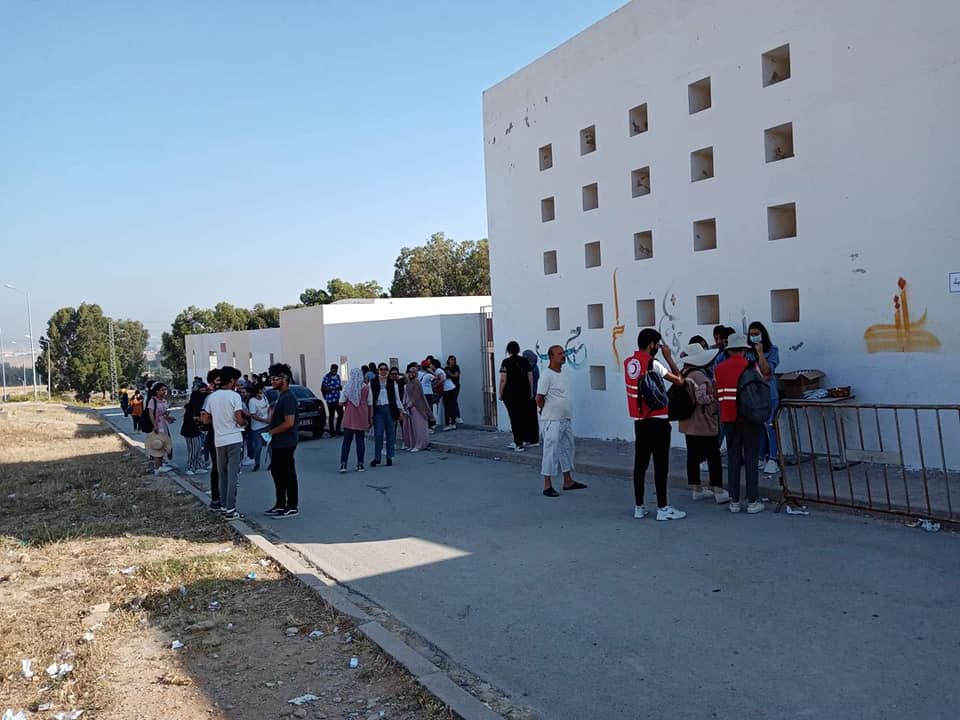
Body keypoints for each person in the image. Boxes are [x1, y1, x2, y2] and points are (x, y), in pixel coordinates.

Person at [625, 329, 687, 521]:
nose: (659, 348)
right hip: (658, 421)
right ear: (651, 344)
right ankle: (662, 508)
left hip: (640, 421)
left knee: (640, 465)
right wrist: (669, 357)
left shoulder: (629, 363)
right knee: (661, 465)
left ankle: (639, 507)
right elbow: (679, 380)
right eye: (658, 344)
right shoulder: (653, 363)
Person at [715, 335, 765, 514]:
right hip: (750, 418)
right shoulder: (751, 366)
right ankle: (752, 501)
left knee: (733, 458)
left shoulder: (719, 368)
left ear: (729, 350)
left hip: (729, 419)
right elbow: (761, 386)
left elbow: (717, 392)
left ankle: (734, 501)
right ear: (744, 350)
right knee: (751, 458)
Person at [677, 343, 729, 504]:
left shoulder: (683, 373)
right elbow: (702, 398)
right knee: (713, 456)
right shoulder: (699, 376)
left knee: (692, 456)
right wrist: (715, 398)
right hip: (704, 422)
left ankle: (696, 489)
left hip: (687, 422)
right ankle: (718, 490)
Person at [537, 345, 588, 497]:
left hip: (565, 418)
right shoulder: (546, 375)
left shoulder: (563, 373)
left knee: (567, 448)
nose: (563, 356)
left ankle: (568, 481)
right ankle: (547, 485)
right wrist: (543, 410)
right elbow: (539, 397)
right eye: (559, 354)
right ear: (551, 356)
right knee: (550, 451)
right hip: (552, 419)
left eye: (563, 353)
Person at [201, 366, 247, 520]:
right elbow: (239, 419)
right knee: (233, 474)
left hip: (219, 440)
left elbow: (205, 419)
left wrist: (218, 419)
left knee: (222, 475)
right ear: (232, 380)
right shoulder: (235, 396)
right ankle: (231, 509)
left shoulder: (212, 397)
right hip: (234, 438)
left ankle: (222, 505)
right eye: (236, 380)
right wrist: (244, 423)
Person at [263, 363, 300, 517]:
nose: (272, 381)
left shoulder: (288, 398)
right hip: (278, 443)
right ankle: (280, 504)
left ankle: (292, 506)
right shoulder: (281, 397)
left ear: (284, 379)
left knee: (287, 474)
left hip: (286, 442)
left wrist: (270, 432)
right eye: (271, 378)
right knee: (277, 473)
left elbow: (289, 423)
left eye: (275, 378)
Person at [747, 321, 781, 476]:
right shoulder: (747, 352)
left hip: (769, 395)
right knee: (758, 427)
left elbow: (767, 370)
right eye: (751, 334)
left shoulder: (772, 350)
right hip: (754, 395)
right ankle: (761, 456)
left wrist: (760, 353)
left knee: (770, 426)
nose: (754, 337)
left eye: (756, 334)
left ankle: (773, 458)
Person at [499, 341, 535, 452]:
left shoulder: (506, 362)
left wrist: (500, 394)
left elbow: (503, 380)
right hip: (524, 393)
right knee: (522, 416)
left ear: (508, 350)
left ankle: (518, 443)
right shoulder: (525, 361)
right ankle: (521, 440)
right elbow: (530, 377)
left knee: (514, 418)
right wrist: (531, 391)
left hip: (510, 394)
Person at [370, 362, 402, 467]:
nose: (383, 371)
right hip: (378, 409)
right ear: (378, 370)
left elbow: (397, 397)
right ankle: (377, 457)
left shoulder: (392, 382)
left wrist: (400, 410)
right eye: (381, 369)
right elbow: (370, 397)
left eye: (385, 369)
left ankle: (389, 456)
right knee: (378, 434)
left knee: (390, 434)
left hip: (389, 408)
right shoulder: (373, 382)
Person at [339, 367, 369, 472]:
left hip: (349, 417)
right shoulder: (366, 387)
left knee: (346, 441)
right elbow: (369, 403)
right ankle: (360, 464)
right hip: (361, 416)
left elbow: (341, 402)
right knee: (360, 440)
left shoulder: (347, 387)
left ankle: (343, 465)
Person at [402, 362, 433, 452]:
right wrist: (404, 405)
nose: (411, 374)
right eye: (410, 372)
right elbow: (406, 395)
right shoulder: (408, 383)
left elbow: (417, 397)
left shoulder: (417, 382)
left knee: (419, 427)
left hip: (417, 407)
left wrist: (409, 405)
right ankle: (412, 444)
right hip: (408, 407)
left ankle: (420, 445)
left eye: (413, 372)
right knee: (411, 428)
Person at [147, 383, 175, 469]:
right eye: (162, 390)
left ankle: (161, 465)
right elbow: (151, 414)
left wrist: (169, 418)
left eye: (165, 390)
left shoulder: (164, 401)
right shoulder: (153, 401)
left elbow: (164, 414)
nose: (164, 392)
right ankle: (158, 467)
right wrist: (155, 425)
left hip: (163, 426)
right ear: (157, 391)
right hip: (157, 427)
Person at [181, 384, 205, 475]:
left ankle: (198, 466)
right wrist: (197, 419)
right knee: (193, 450)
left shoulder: (199, 406)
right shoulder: (191, 407)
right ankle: (190, 467)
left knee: (198, 449)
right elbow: (189, 419)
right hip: (190, 431)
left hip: (196, 430)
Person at [246, 383, 271, 471]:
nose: (264, 390)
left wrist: (269, 417)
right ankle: (257, 463)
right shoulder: (252, 401)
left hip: (266, 427)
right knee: (258, 447)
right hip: (257, 428)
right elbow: (253, 415)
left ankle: (272, 462)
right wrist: (264, 420)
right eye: (263, 389)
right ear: (259, 390)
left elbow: (269, 408)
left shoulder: (264, 397)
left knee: (269, 445)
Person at [322, 364, 344, 437]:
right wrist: (334, 388)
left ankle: (338, 430)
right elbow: (323, 388)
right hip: (330, 400)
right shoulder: (327, 377)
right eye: (334, 370)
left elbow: (339, 386)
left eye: (336, 370)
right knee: (331, 415)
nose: (335, 371)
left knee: (341, 414)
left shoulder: (337, 376)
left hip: (337, 399)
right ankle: (332, 432)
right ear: (331, 369)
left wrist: (340, 387)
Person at [444, 355, 462, 425]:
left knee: (454, 401)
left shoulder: (456, 367)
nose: (453, 361)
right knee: (450, 402)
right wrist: (452, 375)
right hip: (449, 388)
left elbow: (455, 376)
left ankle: (457, 416)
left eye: (454, 359)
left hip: (456, 386)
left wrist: (451, 374)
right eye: (451, 359)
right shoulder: (446, 368)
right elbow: (451, 376)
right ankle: (452, 417)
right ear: (448, 360)